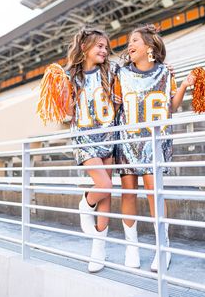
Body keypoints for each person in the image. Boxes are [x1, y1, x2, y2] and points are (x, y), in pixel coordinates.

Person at [114, 24, 196, 271]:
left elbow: (171, 105)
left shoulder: (164, 72)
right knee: (128, 192)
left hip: (153, 142)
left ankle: (163, 248)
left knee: (153, 192)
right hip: (127, 141)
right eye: (129, 40)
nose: (130, 44)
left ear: (149, 46)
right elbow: (116, 104)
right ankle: (132, 248)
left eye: (135, 40)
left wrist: (183, 85)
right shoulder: (121, 74)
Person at [63, 27, 120, 273]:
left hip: (108, 135)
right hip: (85, 139)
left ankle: (99, 249)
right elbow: (66, 113)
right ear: (85, 47)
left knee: (106, 195)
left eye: (106, 47)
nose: (104, 51)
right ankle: (85, 204)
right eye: (99, 46)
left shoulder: (112, 70)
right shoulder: (69, 77)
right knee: (104, 186)